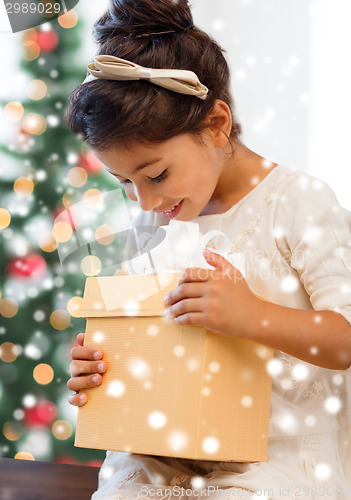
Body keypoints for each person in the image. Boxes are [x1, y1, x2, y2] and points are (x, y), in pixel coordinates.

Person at [64, 0, 351, 498]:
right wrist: (102, 364)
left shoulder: (298, 201)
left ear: (217, 124)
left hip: (273, 456)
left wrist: (252, 315)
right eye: (124, 182)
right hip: (167, 449)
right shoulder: (156, 216)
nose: (146, 200)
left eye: (155, 174)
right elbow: (147, 333)